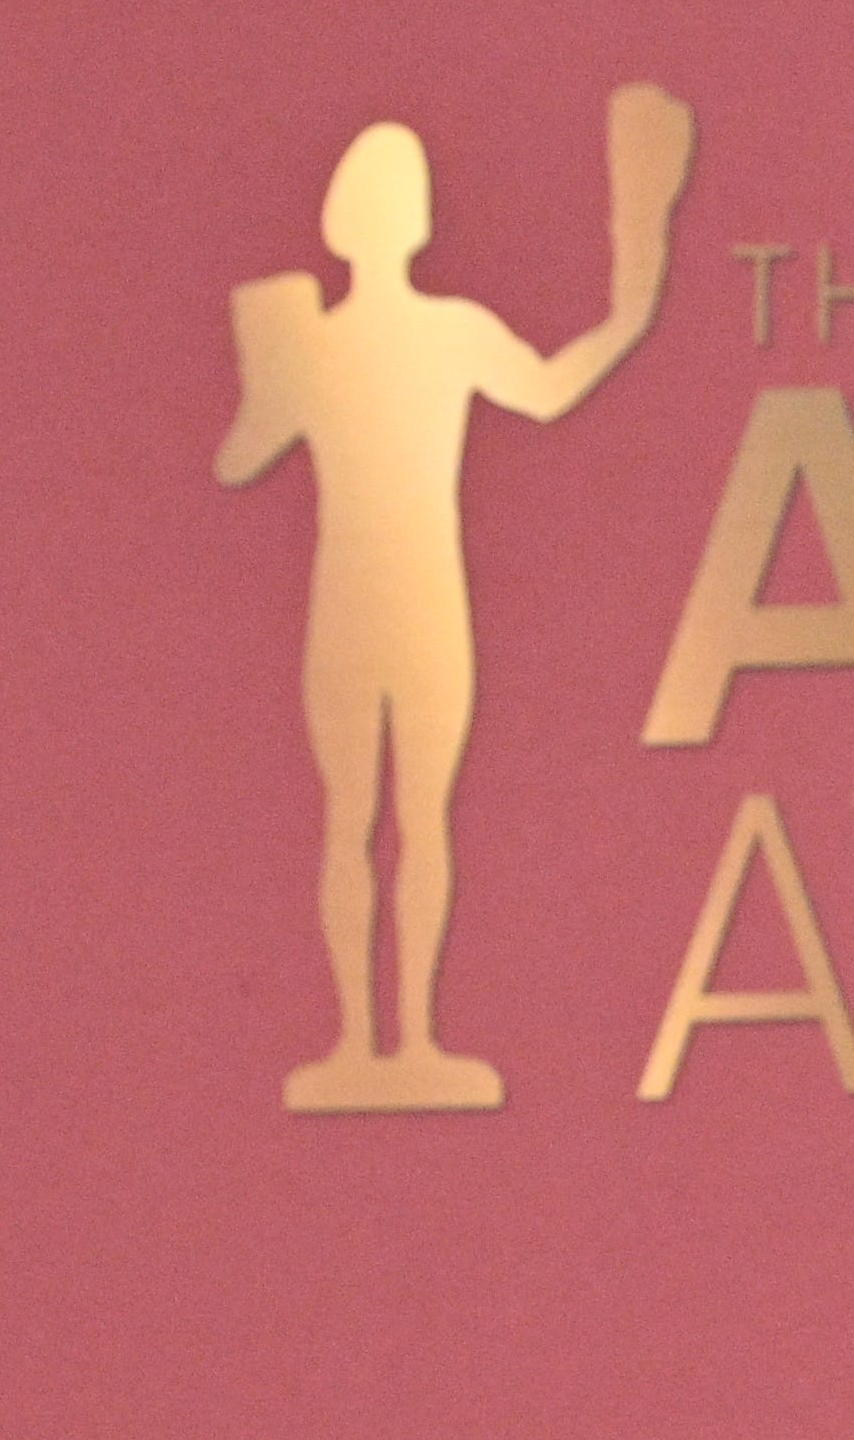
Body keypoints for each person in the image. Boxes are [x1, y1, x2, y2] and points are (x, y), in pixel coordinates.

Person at [215, 85, 692, 1113]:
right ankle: (386, 1041)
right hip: (412, 605)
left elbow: (241, 450)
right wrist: (634, 296)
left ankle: (385, 1041)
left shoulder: (346, 340)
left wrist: (268, 369)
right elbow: (558, 382)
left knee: (372, 817)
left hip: (372, 604)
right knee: (402, 818)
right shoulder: (409, 335)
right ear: (416, 223)